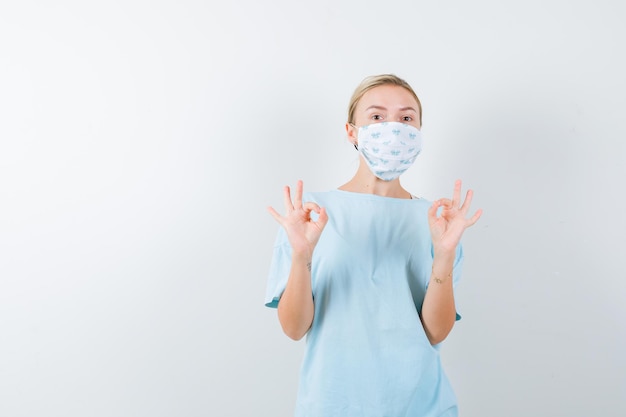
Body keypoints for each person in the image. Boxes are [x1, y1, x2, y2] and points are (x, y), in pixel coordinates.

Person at [264, 74, 482, 417]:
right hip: (333, 404)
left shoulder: (438, 221)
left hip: (422, 406)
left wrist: (444, 255)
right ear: (352, 131)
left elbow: (436, 331)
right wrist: (302, 255)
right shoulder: (309, 215)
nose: (393, 128)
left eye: (406, 118)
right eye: (377, 117)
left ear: (419, 133)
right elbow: (294, 328)